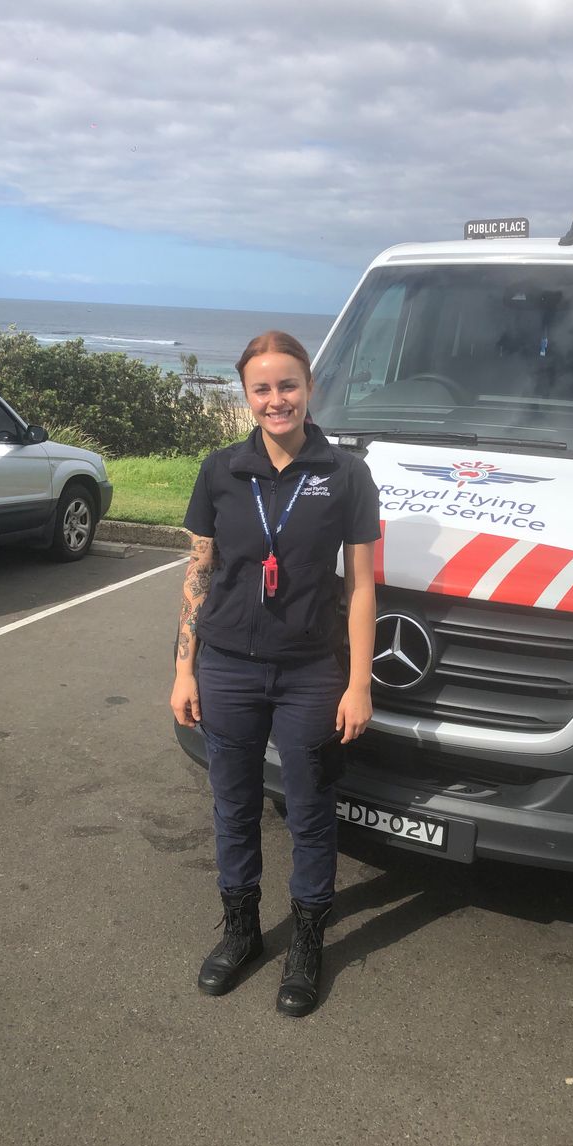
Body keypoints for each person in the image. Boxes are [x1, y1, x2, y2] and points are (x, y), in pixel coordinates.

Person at [170, 330, 380, 1017]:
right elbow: (200, 569)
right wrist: (185, 670)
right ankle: (242, 932)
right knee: (232, 806)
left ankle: (308, 940)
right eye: (261, 388)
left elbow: (363, 587)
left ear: (309, 388)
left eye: (287, 385)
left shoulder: (345, 474)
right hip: (227, 668)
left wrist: (358, 683)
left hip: (310, 672)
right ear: (248, 395)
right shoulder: (219, 469)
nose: (275, 399)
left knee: (310, 809)